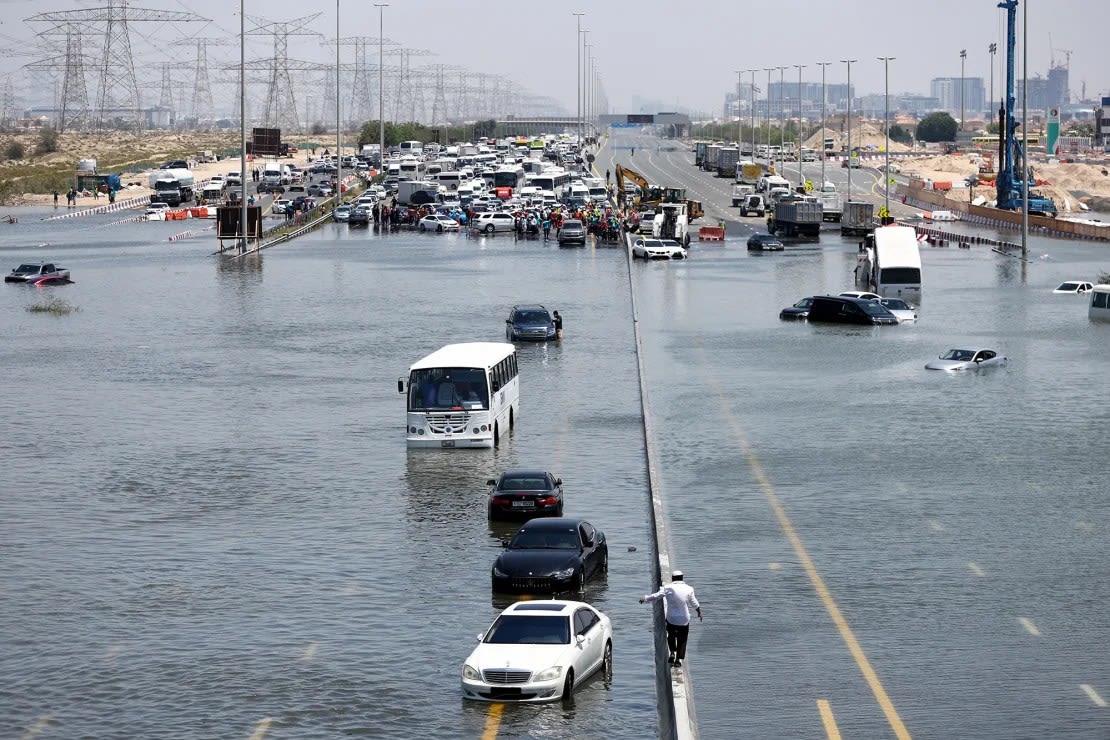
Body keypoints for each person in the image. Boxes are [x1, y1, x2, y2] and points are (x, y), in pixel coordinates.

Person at [639, 570, 701, 667]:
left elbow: (656, 596)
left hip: (671, 618)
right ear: (682, 578)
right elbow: (694, 603)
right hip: (684, 619)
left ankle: (672, 652)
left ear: (673, 578)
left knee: (671, 635)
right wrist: (699, 612)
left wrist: (645, 598)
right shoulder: (689, 589)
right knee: (682, 639)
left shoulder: (668, 587)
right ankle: (677, 660)